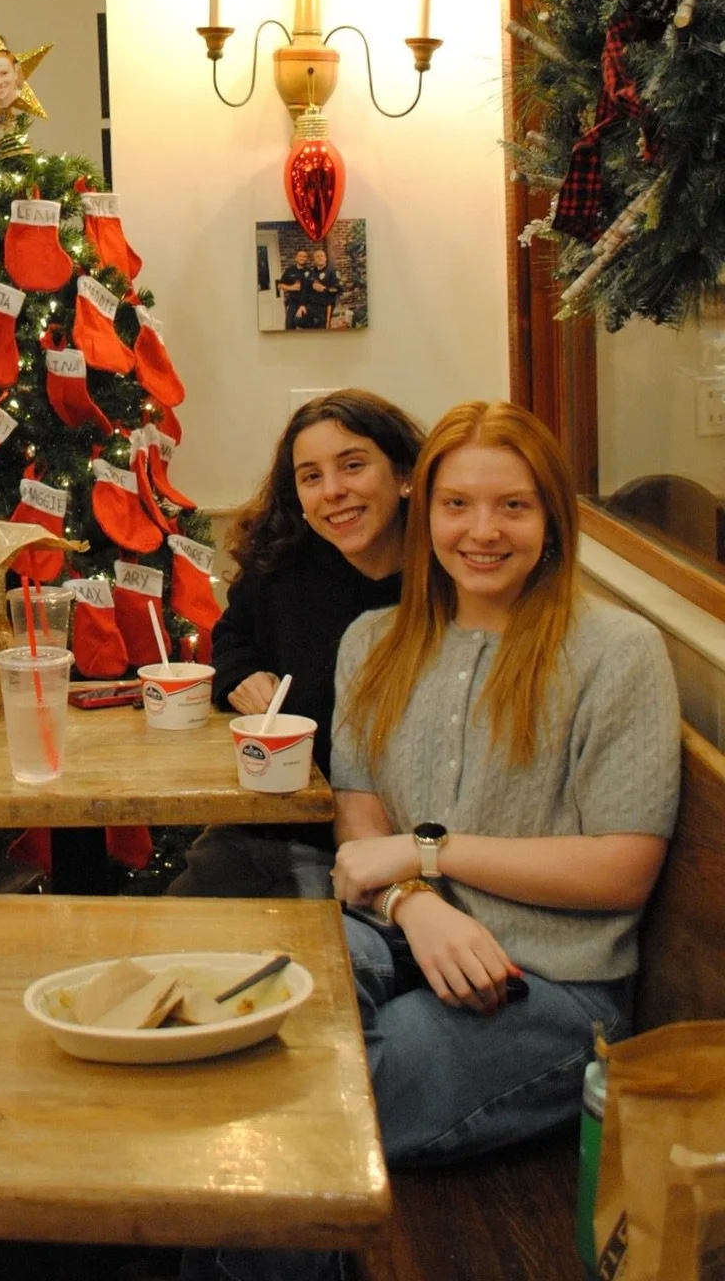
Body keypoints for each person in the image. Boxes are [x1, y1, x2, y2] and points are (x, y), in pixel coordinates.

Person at [187, 402, 680, 1281]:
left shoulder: (615, 651)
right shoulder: (376, 640)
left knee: (315, 1101)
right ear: (427, 511)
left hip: (551, 981)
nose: (481, 532)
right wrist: (416, 903)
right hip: (398, 933)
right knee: (245, 1014)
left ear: (551, 517)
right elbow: (360, 819)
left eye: (512, 506)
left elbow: (623, 869)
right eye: (458, 505)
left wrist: (428, 855)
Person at [171, 390, 424, 899]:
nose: (333, 491)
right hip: (284, 825)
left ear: (404, 475)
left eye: (352, 466)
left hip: (412, 840)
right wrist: (241, 675)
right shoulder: (281, 568)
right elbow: (233, 636)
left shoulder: (449, 579)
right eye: (311, 477)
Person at [299, 246, 340, 329]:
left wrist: (324, 289)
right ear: (314, 260)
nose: (320, 258)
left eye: (322, 256)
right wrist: (302, 305)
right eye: (317, 256)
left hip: (325, 305)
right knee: (298, 320)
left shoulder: (332, 271)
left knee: (322, 327)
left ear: (325, 258)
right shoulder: (311, 273)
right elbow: (305, 291)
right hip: (312, 305)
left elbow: (338, 289)